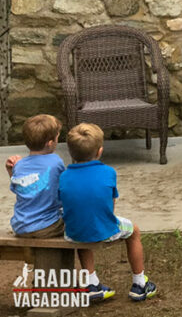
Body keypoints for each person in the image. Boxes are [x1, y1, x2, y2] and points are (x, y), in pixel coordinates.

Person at [5, 115, 113, 303]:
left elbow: (22, 189)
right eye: (57, 137)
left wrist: (11, 172)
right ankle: (91, 282)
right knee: (78, 226)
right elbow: (64, 190)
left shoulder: (19, 164)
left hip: (21, 225)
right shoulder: (55, 162)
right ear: (50, 143)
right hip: (46, 226)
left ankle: (72, 283)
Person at [58, 123, 157, 301]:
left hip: (73, 232)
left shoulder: (64, 176)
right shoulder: (108, 172)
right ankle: (139, 284)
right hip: (104, 228)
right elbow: (110, 205)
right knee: (134, 231)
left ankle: (91, 282)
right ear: (100, 151)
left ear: (71, 152)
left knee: (82, 230)